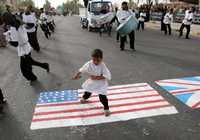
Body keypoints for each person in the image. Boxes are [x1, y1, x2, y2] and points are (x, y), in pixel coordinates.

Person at [4, 17, 50, 84]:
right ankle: (43, 67)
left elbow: (15, 43)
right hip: (26, 47)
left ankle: (34, 76)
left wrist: (8, 38)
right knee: (29, 63)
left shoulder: (13, 28)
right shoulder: (19, 25)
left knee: (24, 68)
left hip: (23, 51)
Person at [72, 49, 111, 117]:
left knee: (102, 96)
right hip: (93, 81)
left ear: (101, 59)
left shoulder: (102, 65)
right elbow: (82, 69)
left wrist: (98, 77)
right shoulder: (89, 63)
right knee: (88, 91)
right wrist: (76, 75)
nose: (95, 62)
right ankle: (84, 98)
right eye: (94, 60)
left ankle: (106, 108)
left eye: (98, 60)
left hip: (101, 82)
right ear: (92, 58)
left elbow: (107, 75)